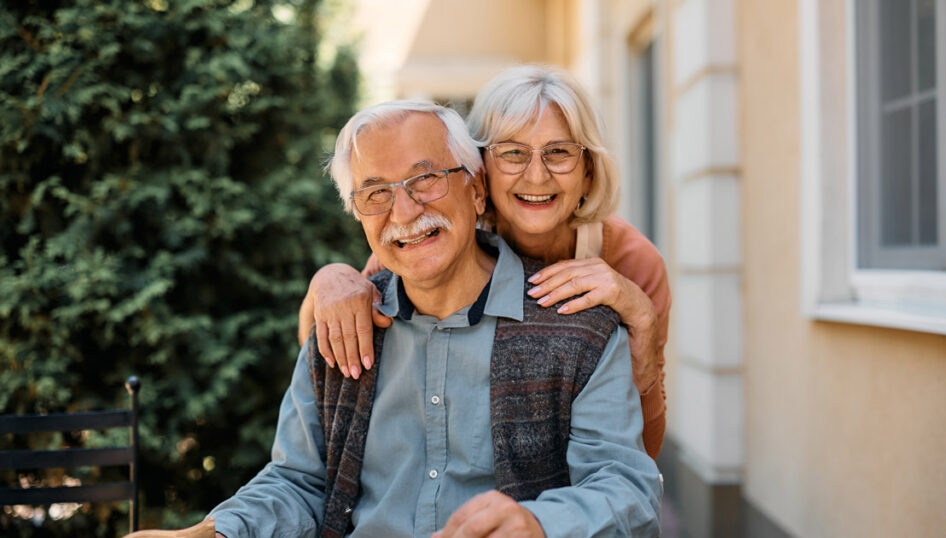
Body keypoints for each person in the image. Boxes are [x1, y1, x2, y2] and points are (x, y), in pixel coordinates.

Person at [208, 100, 661, 537]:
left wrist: (542, 526)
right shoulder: (342, 322)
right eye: (376, 192)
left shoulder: (581, 326)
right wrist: (216, 532)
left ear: (478, 189)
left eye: (425, 180)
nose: (404, 212)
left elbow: (626, 491)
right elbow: (296, 484)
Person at [299, 64, 671, 458]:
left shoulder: (632, 262)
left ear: (589, 171)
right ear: (480, 170)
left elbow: (639, 456)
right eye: (512, 153)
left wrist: (643, 324)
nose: (537, 176)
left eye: (559, 152)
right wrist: (329, 279)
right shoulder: (436, 240)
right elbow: (323, 354)